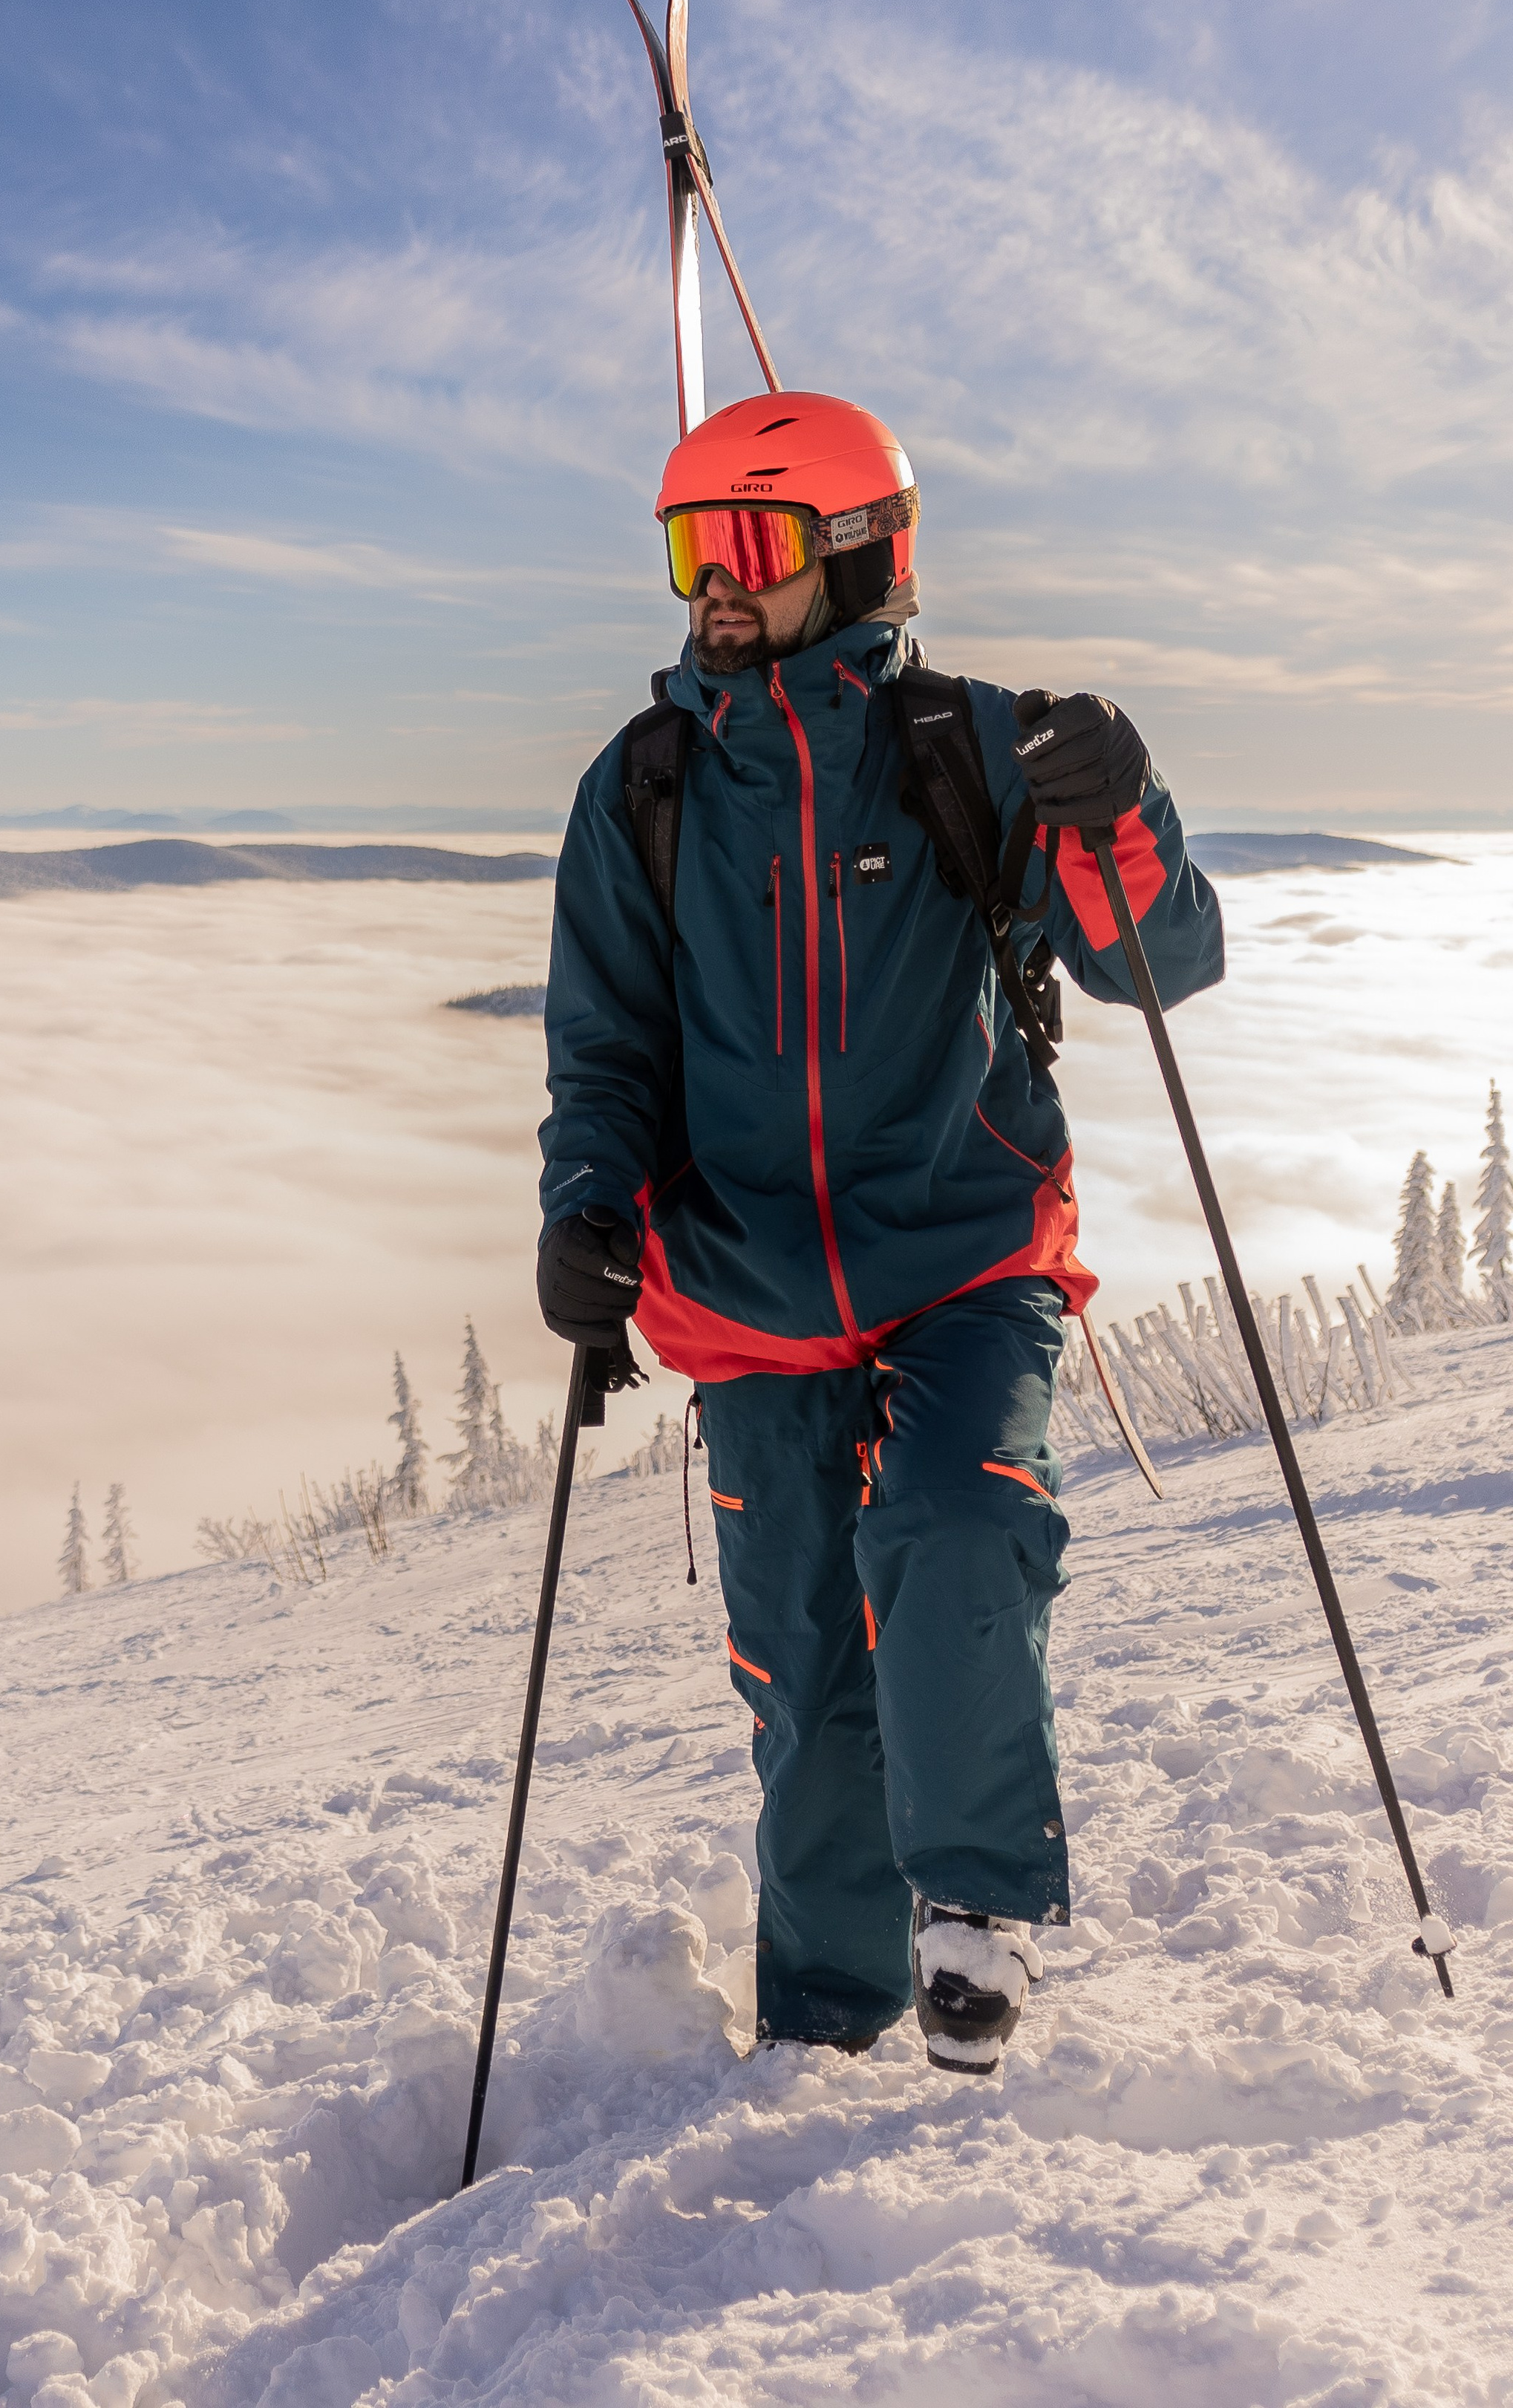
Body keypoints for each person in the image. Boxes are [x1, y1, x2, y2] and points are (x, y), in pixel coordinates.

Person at [537, 390, 1223, 2069]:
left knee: (952, 1519)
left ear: (854, 557)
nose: (710, 583)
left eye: (748, 544)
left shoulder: (975, 749)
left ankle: (974, 1915)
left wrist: (1121, 803)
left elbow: (1156, 961)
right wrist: (586, 1212)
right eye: (689, 546)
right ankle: (823, 2021)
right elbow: (607, 1044)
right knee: (801, 1678)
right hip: (749, 1290)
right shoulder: (645, 789)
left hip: (966, 1247)